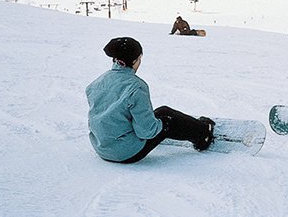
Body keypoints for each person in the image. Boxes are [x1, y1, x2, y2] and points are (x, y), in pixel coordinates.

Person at [86, 37, 214, 163]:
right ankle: (203, 136)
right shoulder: (136, 87)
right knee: (167, 120)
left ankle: (195, 128)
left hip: (101, 147)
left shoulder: (97, 83)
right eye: (139, 59)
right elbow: (147, 131)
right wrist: (161, 125)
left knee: (161, 111)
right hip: (126, 153)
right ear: (134, 61)